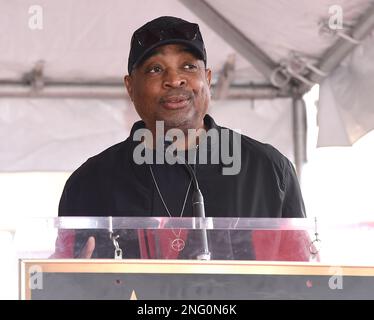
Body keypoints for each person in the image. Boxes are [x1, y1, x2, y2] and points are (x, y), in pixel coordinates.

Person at [57, 16, 307, 260]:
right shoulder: (90, 182)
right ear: (130, 87)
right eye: (155, 69)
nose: (174, 79)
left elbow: (301, 284)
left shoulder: (269, 170)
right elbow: (66, 284)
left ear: (207, 79)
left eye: (188, 66)